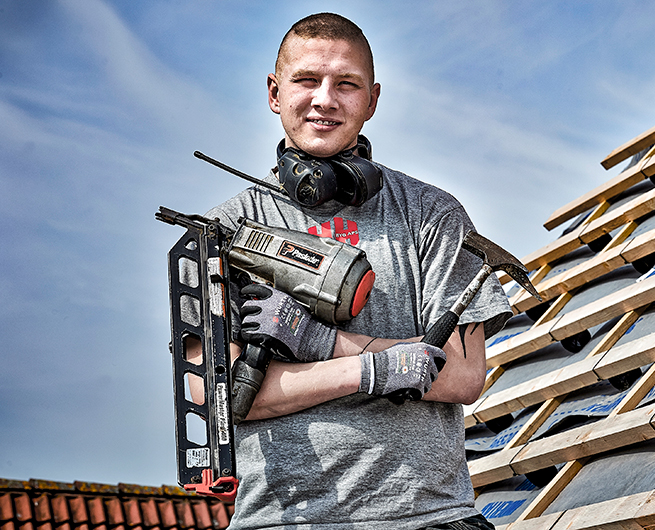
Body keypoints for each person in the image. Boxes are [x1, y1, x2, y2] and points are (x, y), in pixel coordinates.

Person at [188, 12, 511, 530]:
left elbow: (463, 374)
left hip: (429, 518)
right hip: (278, 520)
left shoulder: (431, 213)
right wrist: (371, 370)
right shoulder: (226, 228)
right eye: (306, 80)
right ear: (275, 93)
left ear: (372, 100)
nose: (325, 99)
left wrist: (321, 342)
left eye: (346, 84)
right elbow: (218, 394)